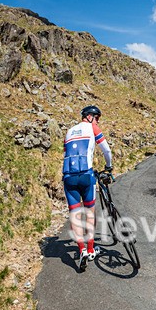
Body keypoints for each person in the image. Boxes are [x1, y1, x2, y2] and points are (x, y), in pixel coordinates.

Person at [63, 105, 112, 272]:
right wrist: (109, 166)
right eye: (97, 117)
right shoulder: (93, 127)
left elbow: (66, 152)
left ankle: (81, 250)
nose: (98, 121)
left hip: (68, 177)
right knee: (90, 213)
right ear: (90, 117)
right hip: (86, 175)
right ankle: (90, 250)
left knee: (75, 215)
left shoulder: (69, 131)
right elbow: (106, 150)